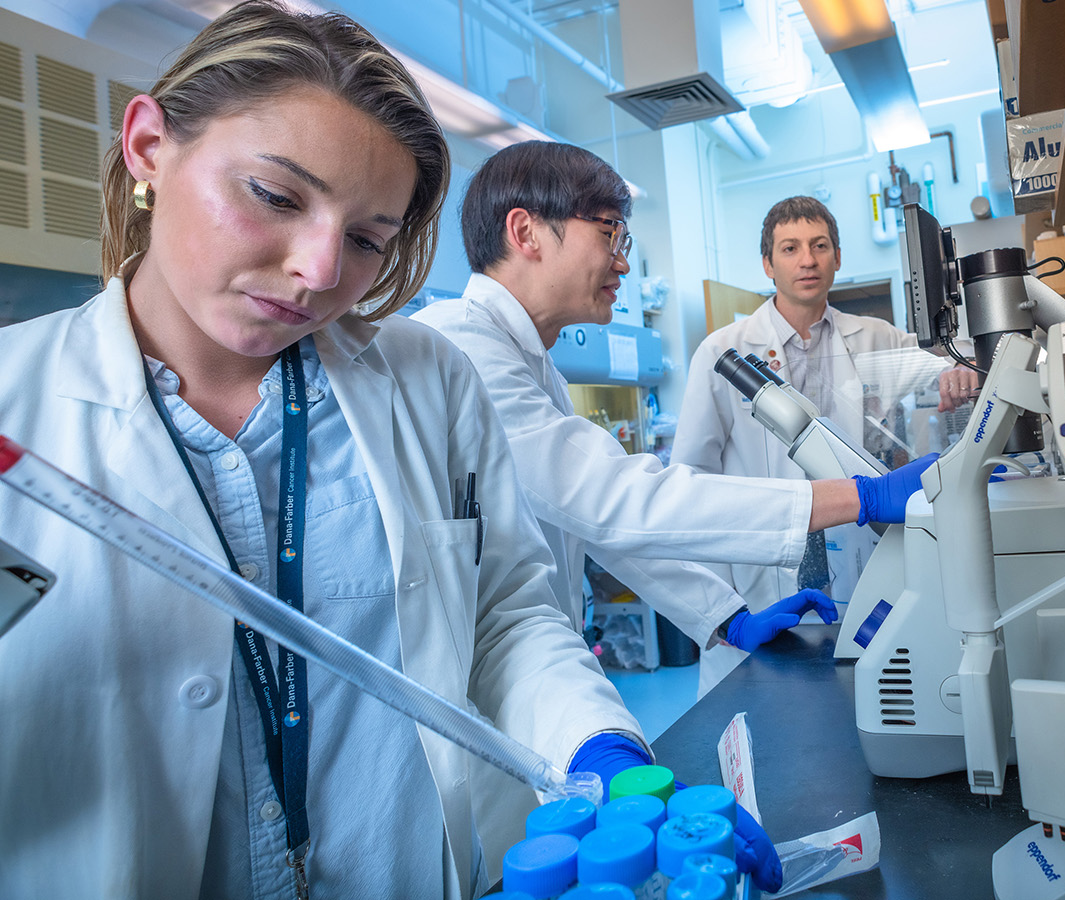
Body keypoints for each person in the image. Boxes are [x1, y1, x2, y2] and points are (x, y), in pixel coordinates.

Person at [0, 4, 717, 896]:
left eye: (369, 239)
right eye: (274, 196)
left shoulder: (428, 381)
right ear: (149, 145)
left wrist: (594, 743)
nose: (318, 269)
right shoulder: (15, 410)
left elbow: (504, 616)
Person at [412, 142, 935, 701]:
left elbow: (602, 528)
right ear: (526, 233)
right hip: (465, 686)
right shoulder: (462, 347)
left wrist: (722, 615)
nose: (622, 261)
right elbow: (610, 497)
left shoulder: (538, 368)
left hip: (524, 676)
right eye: (608, 233)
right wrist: (859, 497)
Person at [675, 196, 955, 690]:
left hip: (856, 557)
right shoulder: (723, 351)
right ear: (768, 264)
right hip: (759, 574)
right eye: (790, 248)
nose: (807, 260)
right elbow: (690, 483)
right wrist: (721, 607)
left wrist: (959, 376)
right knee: (770, 718)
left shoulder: (877, 340)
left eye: (819, 245)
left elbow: (945, 372)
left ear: (838, 257)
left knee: (854, 696)